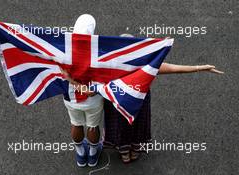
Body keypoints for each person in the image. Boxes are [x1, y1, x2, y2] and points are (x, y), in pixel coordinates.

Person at [103, 34, 224, 163]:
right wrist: (200, 68)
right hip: (139, 102)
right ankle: (135, 150)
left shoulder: (108, 65)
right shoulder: (145, 64)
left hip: (117, 102)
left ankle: (124, 153)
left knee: (120, 125)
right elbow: (174, 69)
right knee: (138, 125)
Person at [59, 14, 104, 167]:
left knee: (76, 124)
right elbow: (94, 88)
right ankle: (92, 155)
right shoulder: (98, 53)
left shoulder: (64, 51)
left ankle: (80, 154)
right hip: (93, 100)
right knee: (93, 126)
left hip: (70, 98)